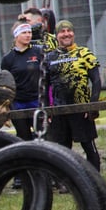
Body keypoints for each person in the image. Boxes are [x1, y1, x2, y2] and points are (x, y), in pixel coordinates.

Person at [44, 20, 102, 171]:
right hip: (59, 110)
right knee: (63, 150)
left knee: (89, 147)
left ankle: (95, 179)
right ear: (57, 35)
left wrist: (92, 106)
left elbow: (96, 81)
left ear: (73, 33)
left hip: (81, 109)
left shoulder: (84, 53)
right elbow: (44, 87)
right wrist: (47, 109)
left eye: (69, 30)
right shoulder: (49, 58)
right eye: (62, 31)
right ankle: (66, 181)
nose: (66, 34)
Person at [1, 21, 44, 144]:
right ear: (16, 35)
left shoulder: (38, 52)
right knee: (23, 137)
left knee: (41, 136)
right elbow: (5, 83)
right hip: (18, 103)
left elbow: (47, 77)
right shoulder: (8, 58)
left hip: (37, 100)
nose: (28, 35)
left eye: (29, 32)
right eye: (24, 32)